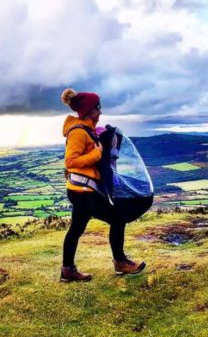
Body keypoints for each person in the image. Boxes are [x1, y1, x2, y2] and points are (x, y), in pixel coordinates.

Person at [60, 88, 146, 282]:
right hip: (83, 190)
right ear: (90, 111)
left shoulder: (87, 129)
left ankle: (67, 271)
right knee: (118, 218)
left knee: (76, 229)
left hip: (81, 189)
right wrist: (97, 154)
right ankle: (121, 263)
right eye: (98, 108)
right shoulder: (78, 133)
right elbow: (70, 162)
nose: (100, 112)